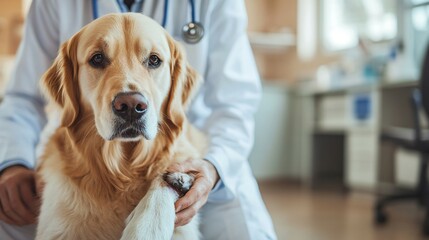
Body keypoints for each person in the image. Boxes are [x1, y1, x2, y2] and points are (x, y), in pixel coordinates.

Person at [0, 0, 277, 239]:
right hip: (76, 158)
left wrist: (213, 168)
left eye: (154, 61)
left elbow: (235, 105)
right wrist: (12, 163)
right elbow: (23, 97)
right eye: (98, 59)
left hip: (199, 157)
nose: (130, 101)